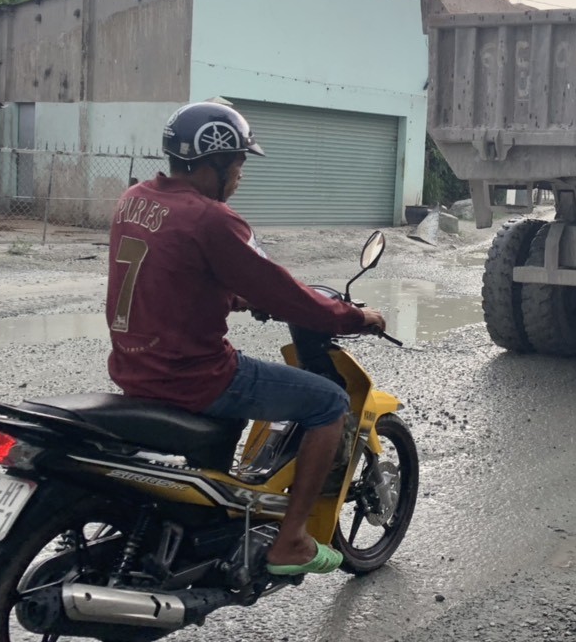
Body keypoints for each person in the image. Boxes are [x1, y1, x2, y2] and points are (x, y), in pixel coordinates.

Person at [105, 99, 386, 576]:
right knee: (330, 403)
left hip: (134, 369)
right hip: (195, 378)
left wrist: (233, 298)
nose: (240, 174)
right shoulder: (212, 219)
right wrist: (355, 317)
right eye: (237, 162)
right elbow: (286, 295)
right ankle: (291, 541)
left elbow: (172, 277)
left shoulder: (137, 199)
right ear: (214, 161)